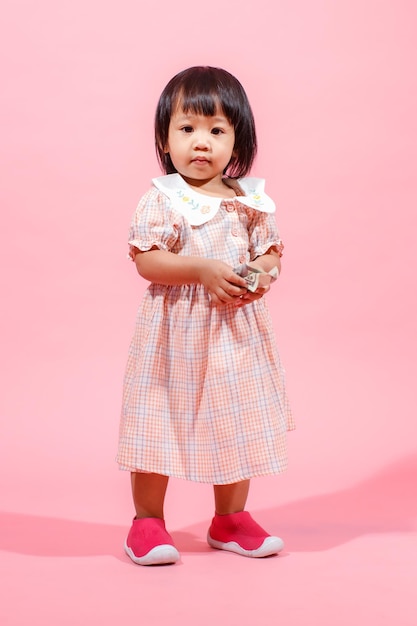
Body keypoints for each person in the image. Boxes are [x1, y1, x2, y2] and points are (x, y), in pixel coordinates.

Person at [117, 66, 294, 566]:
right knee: (160, 421)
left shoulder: (250, 201)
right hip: (176, 334)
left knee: (238, 419)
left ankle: (230, 518)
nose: (202, 143)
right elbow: (147, 260)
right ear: (164, 137)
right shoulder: (163, 199)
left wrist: (259, 275)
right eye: (187, 129)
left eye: (217, 131)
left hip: (236, 333)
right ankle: (147, 521)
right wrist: (200, 268)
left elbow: (272, 255)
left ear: (238, 139)